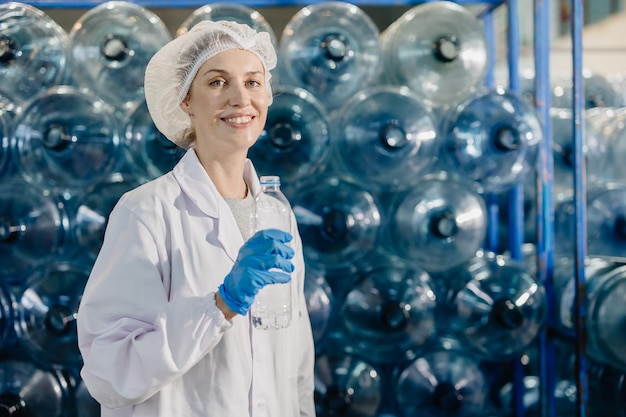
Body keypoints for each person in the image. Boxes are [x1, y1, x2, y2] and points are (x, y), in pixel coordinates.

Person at [76, 20, 316, 417]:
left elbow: (296, 359)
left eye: (253, 82)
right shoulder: (146, 211)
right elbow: (109, 372)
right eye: (218, 82)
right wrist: (220, 304)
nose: (241, 99)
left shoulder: (277, 212)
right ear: (186, 99)